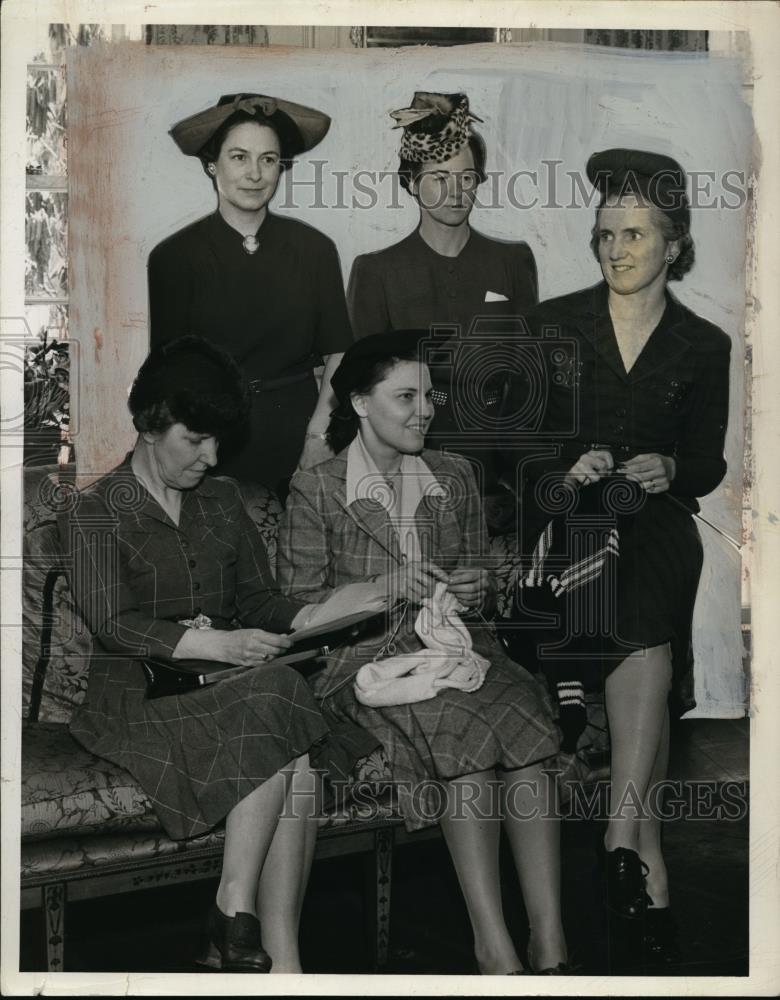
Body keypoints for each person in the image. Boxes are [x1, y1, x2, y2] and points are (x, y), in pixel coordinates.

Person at [61, 336, 378, 973]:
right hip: (137, 700)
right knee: (286, 719)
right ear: (150, 423)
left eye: (217, 441)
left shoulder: (225, 500)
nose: (209, 456)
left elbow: (260, 601)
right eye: (194, 439)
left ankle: (255, 947)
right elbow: (112, 623)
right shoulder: (93, 512)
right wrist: (218, 643)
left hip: (226, 692)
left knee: (282, 717)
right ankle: (244, 919)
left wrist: (322, 613)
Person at [277, 331, 572, 976]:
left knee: (526, 724)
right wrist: (381, 590)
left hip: (457, 648)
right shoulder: (318, 489)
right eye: (405, 396)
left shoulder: (454, 474)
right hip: (361, 664)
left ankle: (550, 941)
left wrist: (479, 585)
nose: (425, 410)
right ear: (358, 402)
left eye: (429, 396)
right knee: (465, 730)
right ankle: (494, 945)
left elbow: (480, 596)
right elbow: (299, 613)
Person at [501, 149, 732, 965]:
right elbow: (512, 454)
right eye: (605, 234)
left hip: (659, 520)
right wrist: (566, 468)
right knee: (649, 634)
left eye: (636, 234)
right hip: (573, 526)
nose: (617, 250)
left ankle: (623, 843)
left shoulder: (704, 345)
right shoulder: (550, 327)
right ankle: (637, 849)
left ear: (675, 244)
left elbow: (707, 465)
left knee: (649, 597)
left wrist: (671, 468)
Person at [148, 93, 354, 497]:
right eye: (239, 157)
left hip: (299, 433)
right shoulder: (174, 256)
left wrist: (317, 437)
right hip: (211, 437)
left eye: (268, 159)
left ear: (281, 168)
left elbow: (339, 353)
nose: (255, 174)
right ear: (213, 164)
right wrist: (195, 447)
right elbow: (170, 373)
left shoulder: (315, 249)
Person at [347, 91, 538, 515]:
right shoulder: (376, 271)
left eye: (466, 178)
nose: (456, 191)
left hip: (495, 465)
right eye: (439, 177)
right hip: (407, 458)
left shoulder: (512, 260)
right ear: (412, 182)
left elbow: (528, 373)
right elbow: (367, 387)